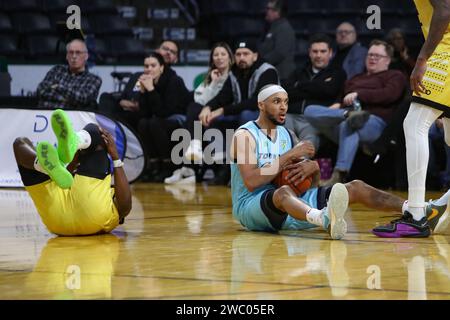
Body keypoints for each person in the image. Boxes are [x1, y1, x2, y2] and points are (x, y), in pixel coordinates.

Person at [231, 85, 448, 238]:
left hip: (294, 207)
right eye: (276, 102)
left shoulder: (288, 135)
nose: (283, 107)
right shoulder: (245, 135)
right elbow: (250, 181)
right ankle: (325, 219)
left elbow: (311, 184)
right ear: (261, 105)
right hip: (252, 206)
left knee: (355, 187)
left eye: (286, 102)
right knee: (283, 193)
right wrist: (289, 155)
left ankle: (415, 209)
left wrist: (313, 169)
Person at [373, 0, 450, 238]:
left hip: (446, 52)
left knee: (415, 123)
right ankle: (441, 205)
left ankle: (416, 215)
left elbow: (445, 9)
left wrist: (421, 60)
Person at [12, 109, 132, 236]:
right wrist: (115, 158)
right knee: (19, 144)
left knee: (20, 143)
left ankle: (68, 148)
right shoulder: (105, 196)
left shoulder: (102, 192)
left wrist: (115, 157)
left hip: (56, 219)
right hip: (90, 218)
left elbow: (125, 208)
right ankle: (69, 148)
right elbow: (125, 208)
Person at [304, 40, 407, 186]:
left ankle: (339, 172)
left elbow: (390, 94)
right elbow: (339, 102)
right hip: (345, 117)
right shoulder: (355, 78)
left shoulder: (394, 76)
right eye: (370, 55)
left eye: (377, 56)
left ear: (388, 60)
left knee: (351, 124)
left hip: (375, 123)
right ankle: (348, 116)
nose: (372, 58)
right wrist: (332, 112)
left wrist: (359, 94)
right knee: (310, 110)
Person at [188, 39, 280, 185]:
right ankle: (223, 169)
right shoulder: (235, 72)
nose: (241, 58)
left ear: (255, 56)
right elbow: (223, 96)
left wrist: (223, 110)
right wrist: (208, 108)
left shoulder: (267, 71)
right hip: (242, 114)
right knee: (214, 121)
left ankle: (243, 172)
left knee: (244, 118)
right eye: (238, 54)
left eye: (246, 54)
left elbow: (257, 102)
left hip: (267, 118)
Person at [166, 42, 234, 184]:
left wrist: (209, 108)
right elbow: (200, 100)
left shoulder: (233, 77)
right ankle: (189, 164)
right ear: (212, 59)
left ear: (229, 58)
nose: (219, 58)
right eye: (216, 55)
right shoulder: (209, 77)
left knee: (194, 112)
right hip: (205, 113)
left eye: (223, 54)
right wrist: (213, 84)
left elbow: (225, 99)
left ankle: (188, 167)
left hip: (224, 112)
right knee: (194, 108)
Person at [284, 33, 347, 151]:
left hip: (313, 121)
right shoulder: (299, 71)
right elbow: (286, 93)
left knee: (305, 150)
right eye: (315, 51)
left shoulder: (337, 72)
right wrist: (318, 88)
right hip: (290, 116)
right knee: (280, 147)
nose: (318, 55)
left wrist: (299, 86)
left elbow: (330, 91)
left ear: (330, 53)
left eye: (323, 51)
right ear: (309, 53)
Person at [137, 52, 191, 182]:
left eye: (153, 65)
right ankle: (153, 165)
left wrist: (151, 90)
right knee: (143, 123)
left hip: (180, 120)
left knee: (155, 123)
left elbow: (165, 112)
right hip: (161, 120)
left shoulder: (174, 81)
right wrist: (143, 93)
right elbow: (144, 113)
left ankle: (168, 166)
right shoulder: (148, 82)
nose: (149, 69)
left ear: (161, 67)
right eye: (146, 66)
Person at [36, 39, 102, 110]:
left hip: (71, 119)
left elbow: (83, 99)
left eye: (78, 53)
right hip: (44, 115)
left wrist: (57, 87)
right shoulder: (56, 70)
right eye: (71, 52)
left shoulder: (94, 79)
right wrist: (68, 100)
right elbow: (41, 91)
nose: (74, 56)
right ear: (67, 56)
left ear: (86, 56)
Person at [258, 0, 296, 81]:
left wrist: (259, 62)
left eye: (269, 9)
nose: (266, 11)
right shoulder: (273, 27)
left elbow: (280, 53)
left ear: (277, 12)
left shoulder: (284, 28)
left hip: (282, 76)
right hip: (273, 73)